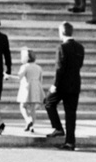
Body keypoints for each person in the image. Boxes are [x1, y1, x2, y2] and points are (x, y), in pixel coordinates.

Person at [43, 21, 84, 150]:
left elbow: (59, 68)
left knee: (48, 102)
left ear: (61, 32)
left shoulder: (61, 47)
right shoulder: (80, 47)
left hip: (62, 84)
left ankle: (58, 128)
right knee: (71, 113)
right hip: (75, 83)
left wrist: (55, 85)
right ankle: (70, 142)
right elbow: (79, 65)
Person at [14, 48, 44, 132]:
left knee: (22, 106)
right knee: (33, 109)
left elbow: (19, 77)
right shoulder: (39, 67)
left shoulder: (25, 66)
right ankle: (31, 127)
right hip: (36, 89)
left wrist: (8, 76)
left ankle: (28, 120)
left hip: (26, 88)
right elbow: (41, 80)